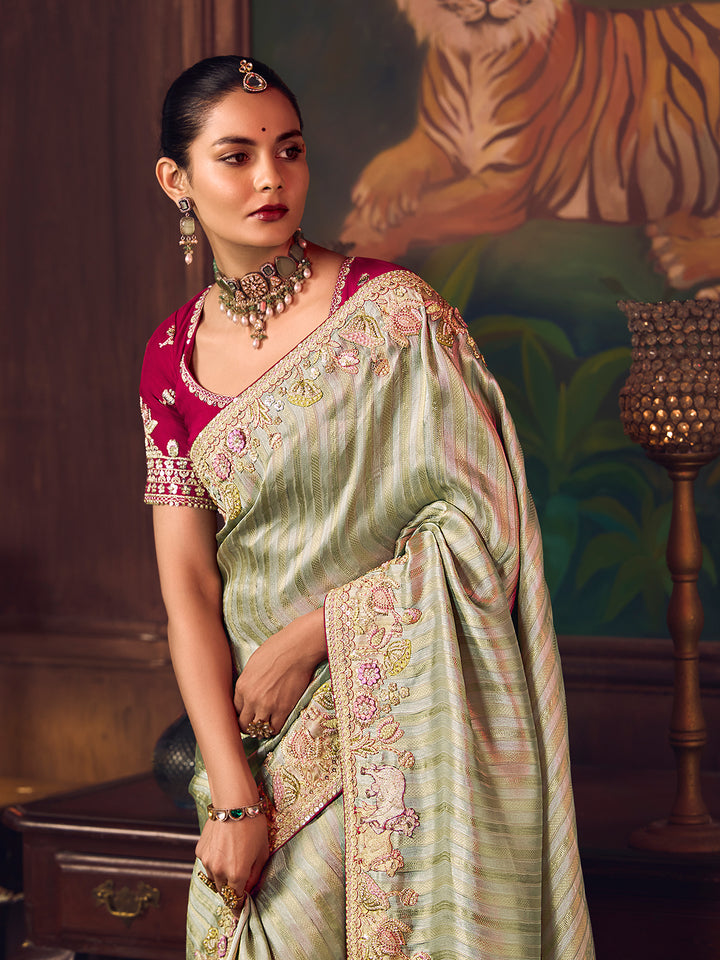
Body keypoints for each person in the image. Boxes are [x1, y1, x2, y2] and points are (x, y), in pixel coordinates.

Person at [140, 55, 595, 960]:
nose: (271, 177)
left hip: (396, 729)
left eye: (290, 150)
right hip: (256, 746)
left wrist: (317, 635)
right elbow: (188, 586)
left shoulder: (397, 317)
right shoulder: (170, 358)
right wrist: (232, 793)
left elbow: (482, 530)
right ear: (176, 180)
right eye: (236, 155)